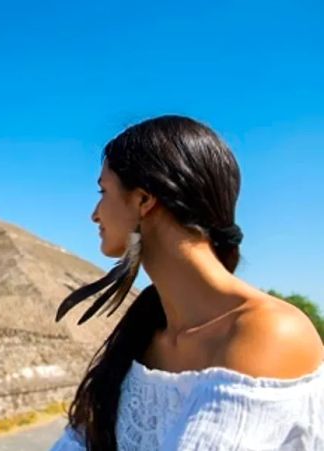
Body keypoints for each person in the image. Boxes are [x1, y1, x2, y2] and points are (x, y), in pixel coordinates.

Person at [50, 115, 324, 450]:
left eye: (103, 190)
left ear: (143, 200)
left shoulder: (270, 331)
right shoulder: (142, 332)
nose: (95, 213)